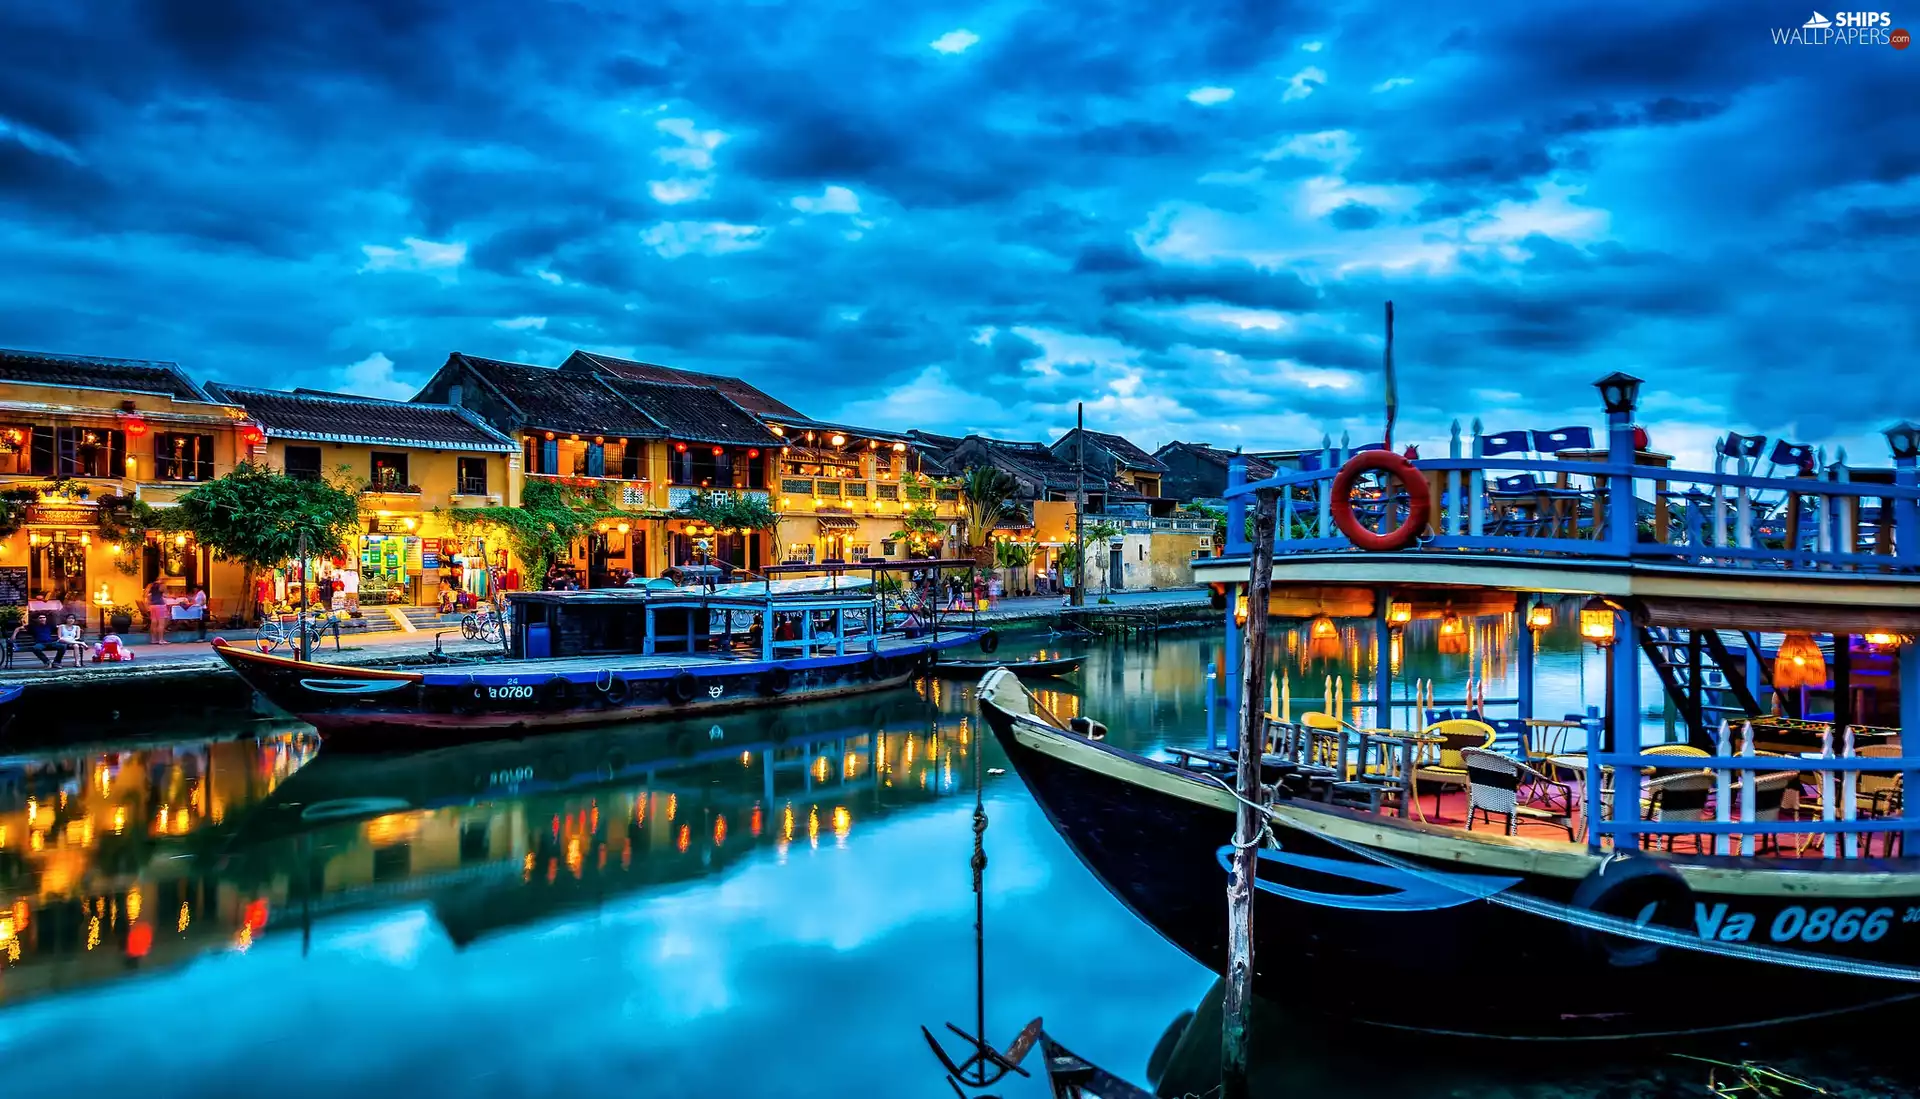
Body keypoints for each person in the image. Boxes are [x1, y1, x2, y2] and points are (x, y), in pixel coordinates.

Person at [146, 579, 170, 645]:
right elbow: (166, 594)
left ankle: (153, 639)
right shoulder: (162, 586)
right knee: (161, 623)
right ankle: (161, 640)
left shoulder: (150, 585)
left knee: (153, 622)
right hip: (160, 605)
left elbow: (147, 595)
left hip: (152, 605)